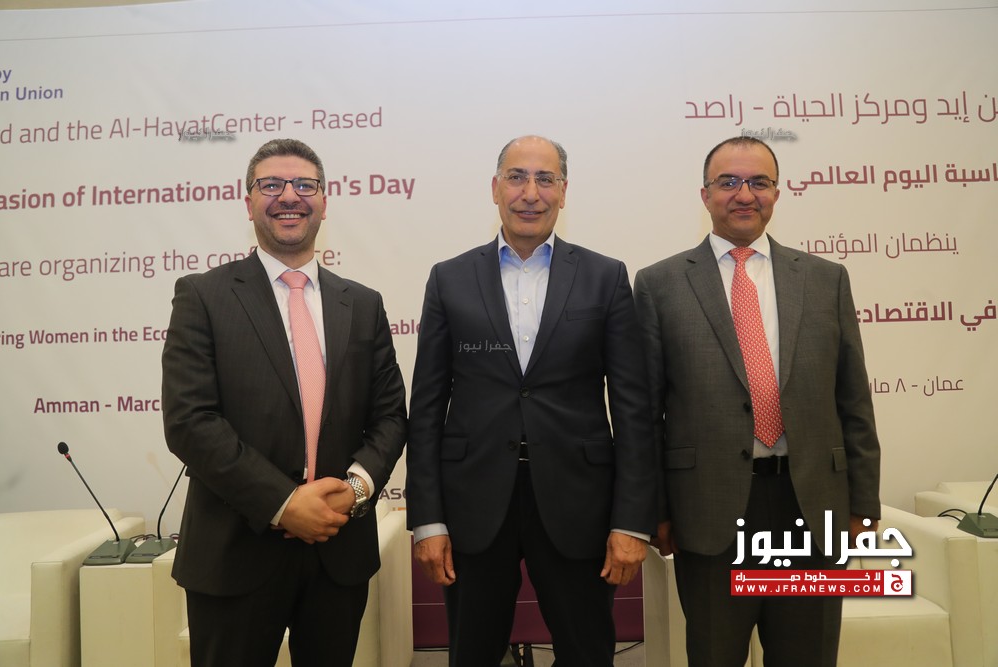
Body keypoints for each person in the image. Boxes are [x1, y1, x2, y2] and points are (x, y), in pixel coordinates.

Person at [405, 135, 657, 666]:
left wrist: (631, 521)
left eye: (545, 179)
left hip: (579, 504)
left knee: (588, 653)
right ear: (495, 188)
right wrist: (428, 520)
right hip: (474, 505)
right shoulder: (449, 278)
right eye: (517, 177)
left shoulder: (605, 277)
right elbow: (426, 408)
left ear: (564, 191)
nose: (530, 193)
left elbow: (633, 409)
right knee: (472, 654)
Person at [633, 136, 881, 666]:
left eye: (758, 182)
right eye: (728, 182)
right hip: (709, 512)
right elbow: (646, 414)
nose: (744, 194)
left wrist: (863, 504)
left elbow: (853, 401)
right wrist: (655, 510)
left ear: (777, 193)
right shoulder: (659, 285)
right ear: (704, 194)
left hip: (812, 507)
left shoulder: (825, 279)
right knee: (714, 655)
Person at [161, 138, 407, 667]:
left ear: (324, 202)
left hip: (338, 551)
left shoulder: (363, 304)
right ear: (248, 201)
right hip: (235, 552)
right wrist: (284, 503)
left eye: (304, 185)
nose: (289, 196)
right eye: (271, 185)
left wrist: (354, 490)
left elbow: (389, 415)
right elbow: (190, 421)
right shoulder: (203, 296)